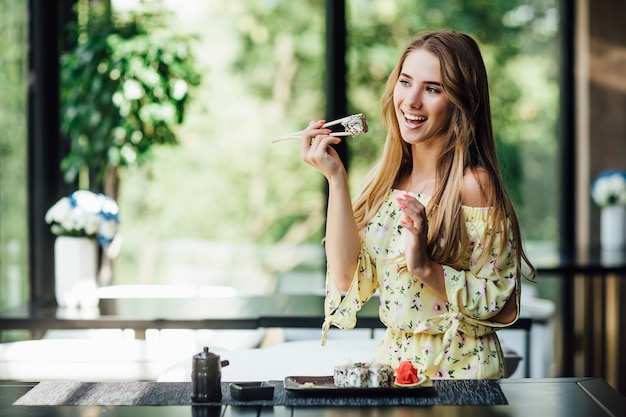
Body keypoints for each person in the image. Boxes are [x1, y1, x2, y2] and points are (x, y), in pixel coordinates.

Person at [299, 30, 536, 379]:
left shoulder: (474, 185)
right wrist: (335, 179)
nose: (411, 101)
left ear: (461, 101)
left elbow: (503, 306)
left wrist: (425, 266)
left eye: (432, 89)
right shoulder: (384, 181)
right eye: (405, 82)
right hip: (395, 371)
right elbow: (348, 276)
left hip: (460, 376)